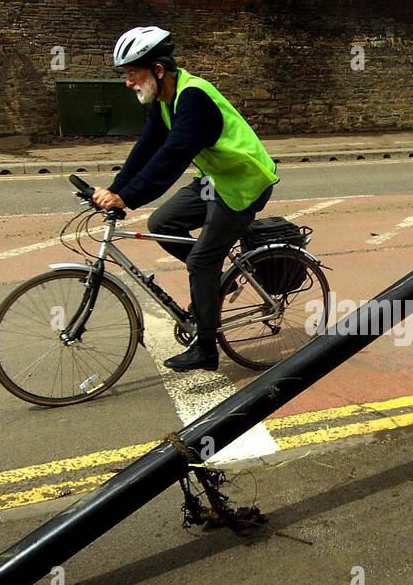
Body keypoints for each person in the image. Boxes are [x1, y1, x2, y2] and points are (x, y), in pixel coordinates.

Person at [92, 26, 279, 372]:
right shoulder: (166, 100)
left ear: (158, 71)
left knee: (201, 263)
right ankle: (217, 282)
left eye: (133, 74)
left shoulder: (194, 99)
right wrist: (115, 188)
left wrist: (126, 198)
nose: (128, 82)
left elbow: (172, 157)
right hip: (215, 179)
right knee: (162, 223)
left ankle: (206, 349)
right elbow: (147, 148)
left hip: (243, 182)